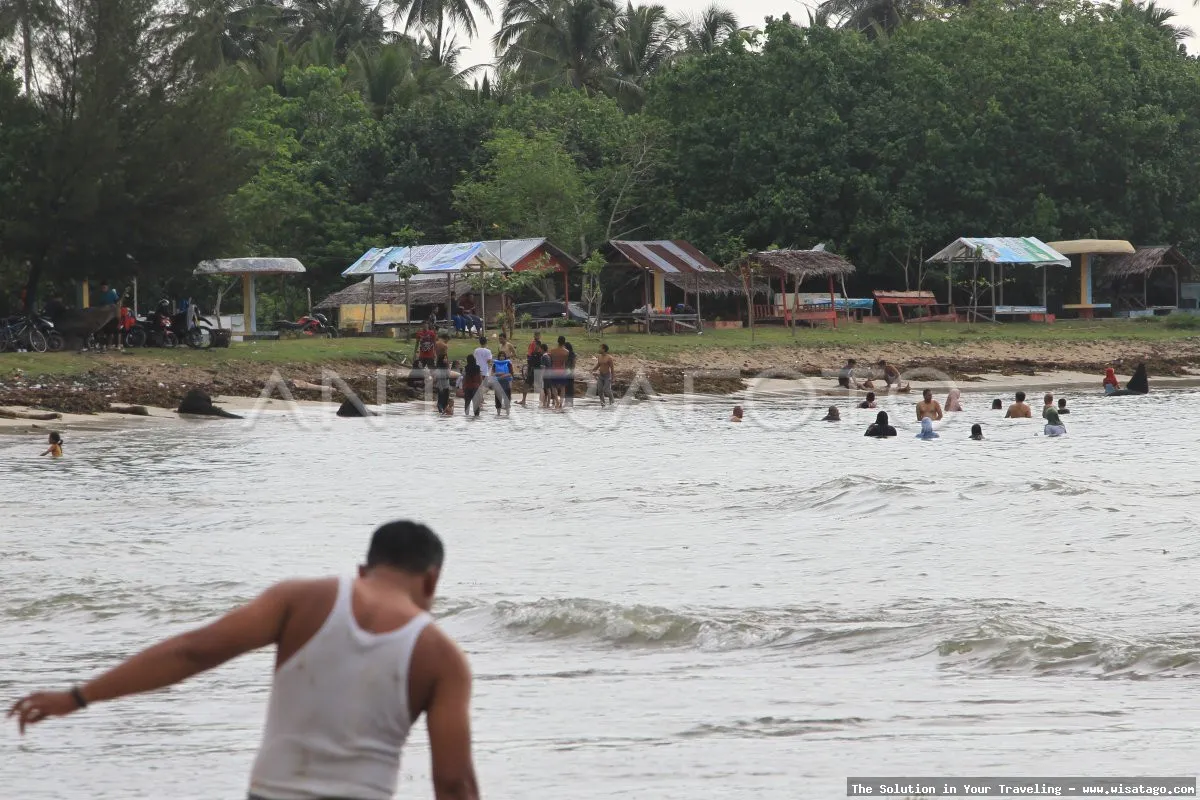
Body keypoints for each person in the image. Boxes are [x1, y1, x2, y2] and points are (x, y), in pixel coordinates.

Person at [7, 521, 480, 800]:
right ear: (432, 581)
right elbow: (453, 781)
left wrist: (78, 696)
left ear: (363, 569)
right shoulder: (443, 658)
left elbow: (191, 651)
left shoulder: (301, 600)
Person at [520, 332, 542, 406]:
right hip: (532, 369)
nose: (537, 347)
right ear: (534, 336)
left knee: (541, 385)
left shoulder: (540, 347)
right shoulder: (532, 344)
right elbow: (529, 356)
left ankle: (544, 401)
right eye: (536, 335)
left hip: (538, 369)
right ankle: (523, 400)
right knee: (526, 384)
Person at [549, 336, 571, 409]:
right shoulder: (566, 352)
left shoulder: (552, 351)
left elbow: (551, 360)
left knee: (553, 386)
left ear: (557, 341)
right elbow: (565, 362)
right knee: (562, 387)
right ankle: (561, 403)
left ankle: (557, 401)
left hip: (554, 369)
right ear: (564, 342)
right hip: (562, 370)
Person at [492, 348, 514, 415]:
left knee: (507, 398)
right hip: (498, 383)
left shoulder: (508, 363)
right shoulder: (495, 364)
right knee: (498, 398)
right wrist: (501, 374)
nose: (501, 357)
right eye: (500, 356)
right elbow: (493, 373)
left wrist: (502, 376)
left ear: (505, 357)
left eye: (503, 356)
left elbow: (511, 373)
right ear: (498, 357)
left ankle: (508, 414)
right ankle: (498, 414)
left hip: (506, 382)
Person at [563, 337, 577, 407]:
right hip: (567, 372)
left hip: (570, 372)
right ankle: (567, 402)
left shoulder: (572, 355)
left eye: (565, 347)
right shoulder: (566, 354)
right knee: (567, 387)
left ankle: (570, 402)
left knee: (569, 387)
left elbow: (573, 365)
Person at [539, 343, 552, 408]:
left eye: (540, 349)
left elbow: (543, 368)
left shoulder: (543, 357)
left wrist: (541, 376)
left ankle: (547, 404)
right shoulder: (548, 356)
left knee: (547, 389)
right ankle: (546, 403)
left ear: (542, 349)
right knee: (547, 389)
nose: (539, 350)